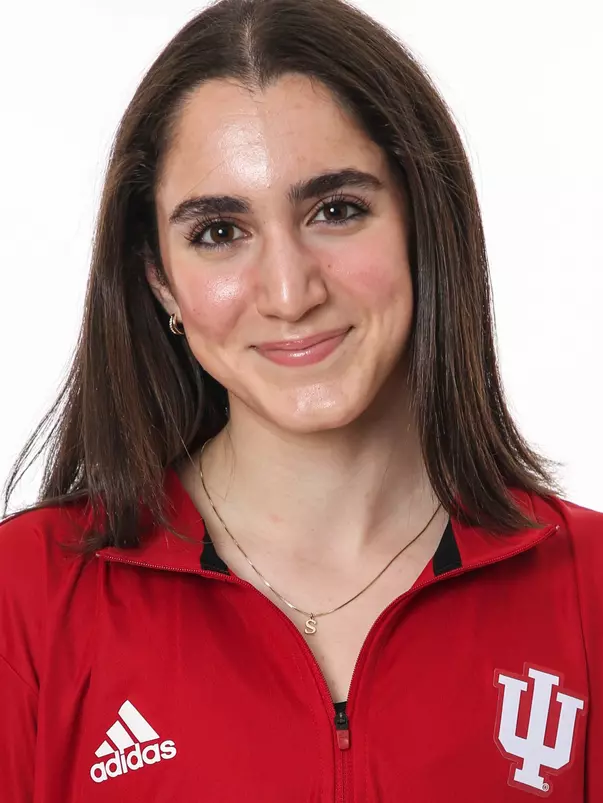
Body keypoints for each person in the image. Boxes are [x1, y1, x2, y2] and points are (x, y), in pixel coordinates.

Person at [1, 0, 601, 799]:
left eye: (337, 210)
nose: (289, 292)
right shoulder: (26, 601)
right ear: (159, 282)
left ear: (426, 227)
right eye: (219, 230)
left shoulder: (587, 590)